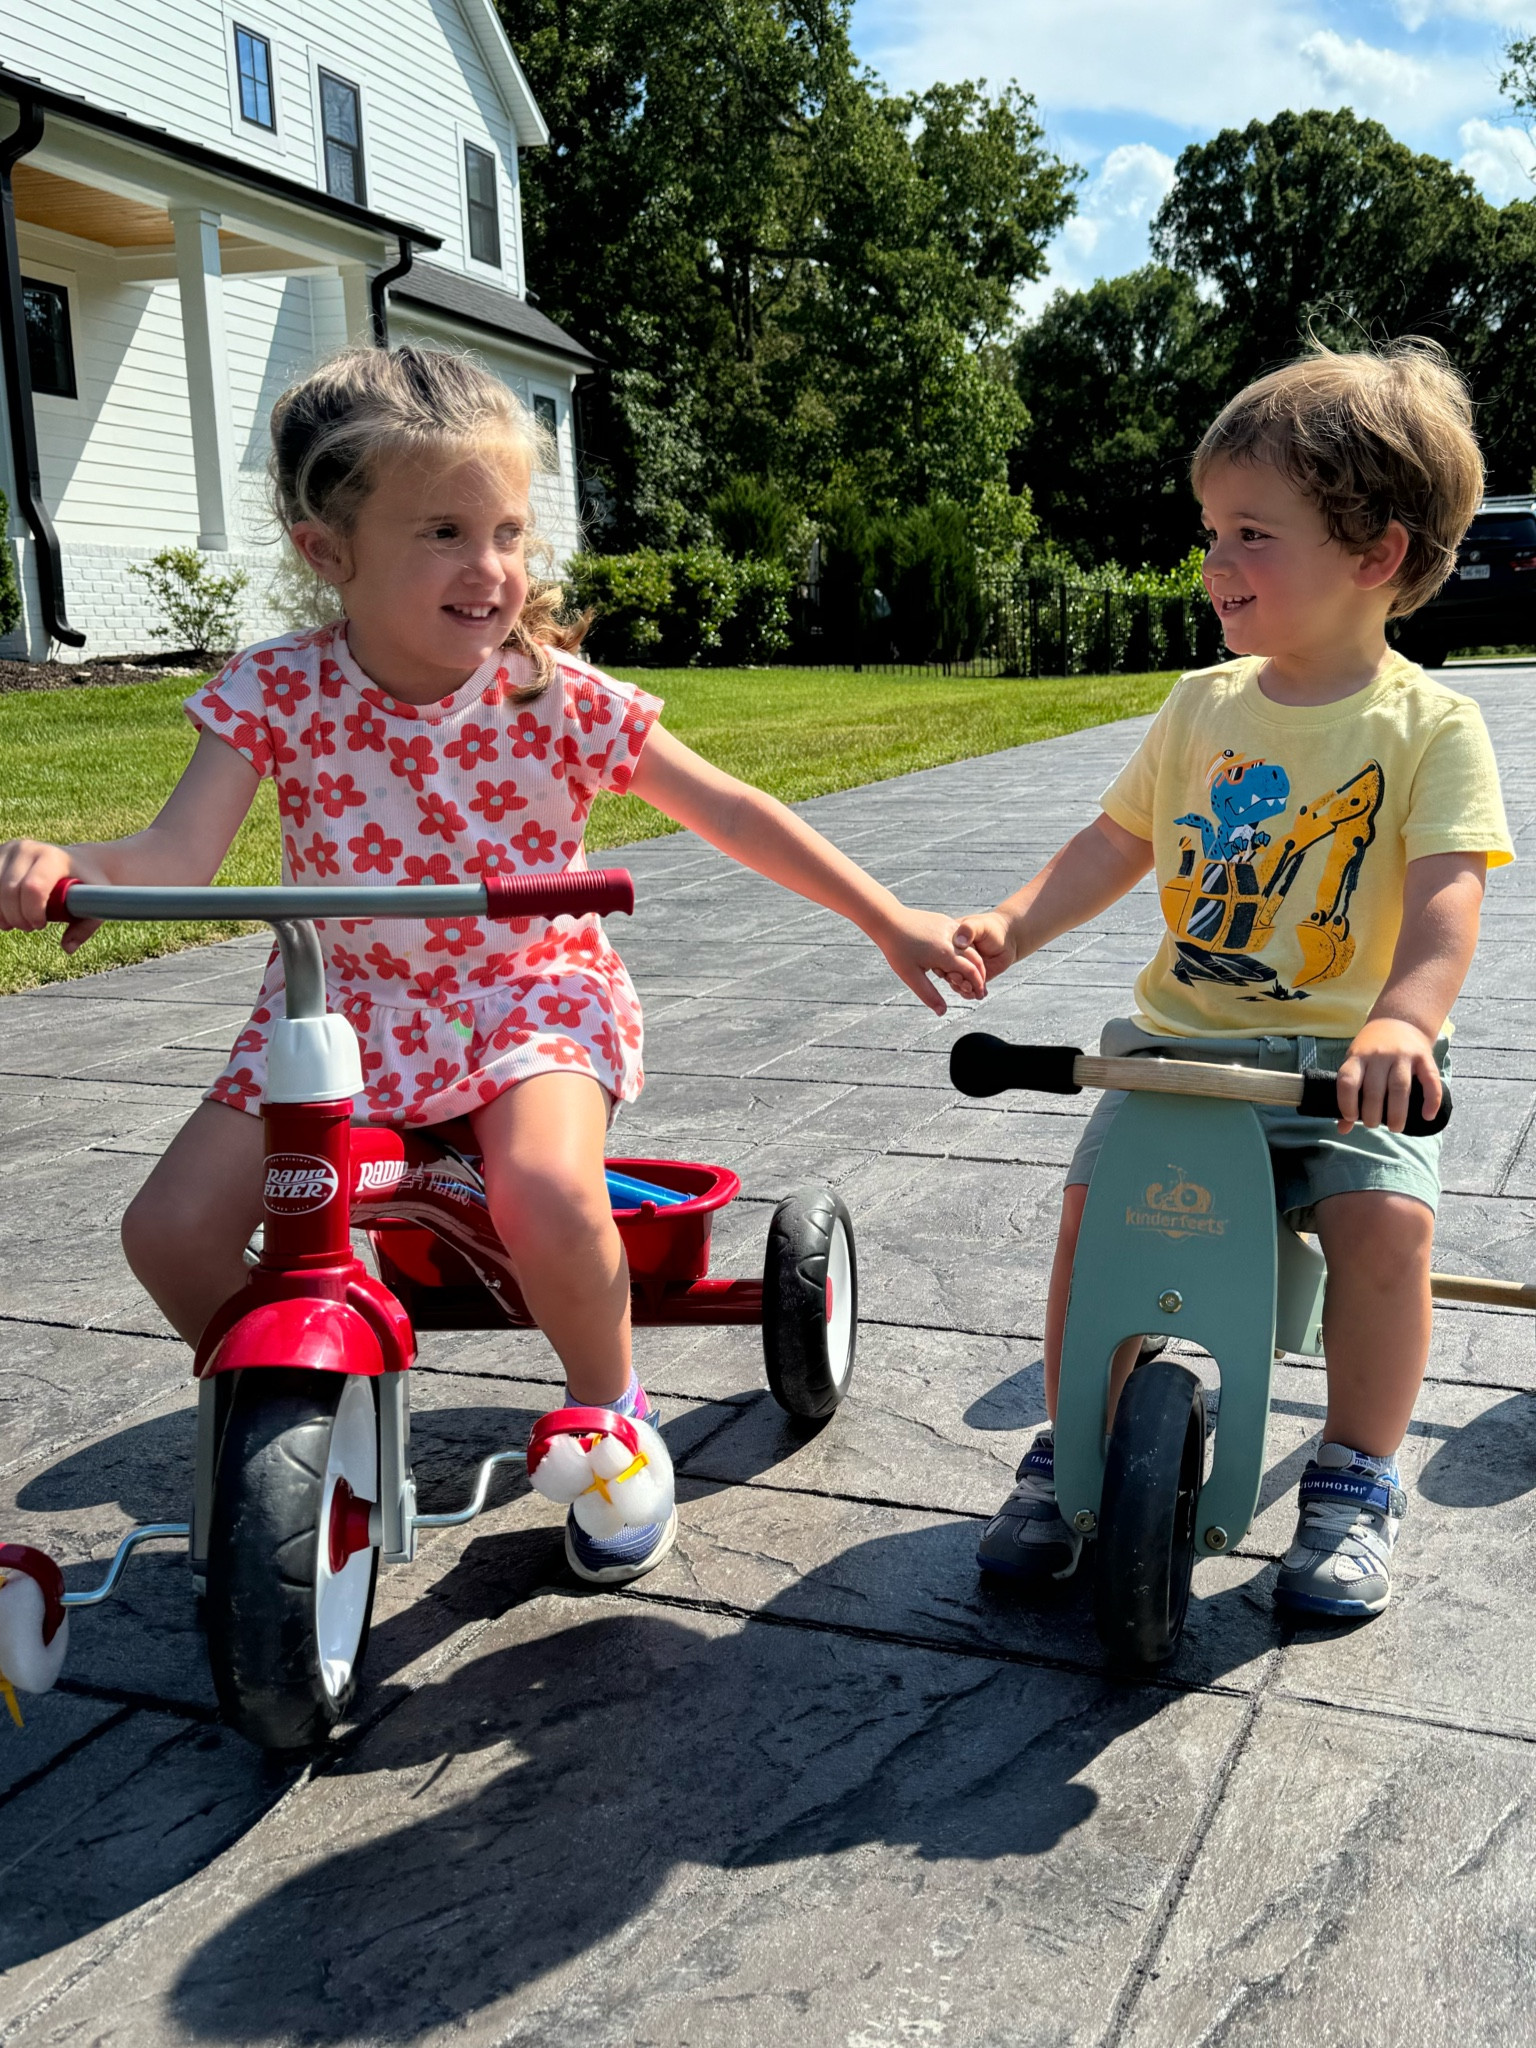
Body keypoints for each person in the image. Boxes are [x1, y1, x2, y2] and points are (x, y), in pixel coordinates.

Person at [0, 344, 984, 1587]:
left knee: (550, 1193)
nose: (494, 568)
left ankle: (614, 1416)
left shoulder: (547, 697)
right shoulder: (277, 692)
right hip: (340, 1004)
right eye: (447, 530)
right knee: (170, 1229)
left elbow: (729, 809)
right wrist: (63, 863)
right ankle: (308, 1410)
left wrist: (885, 912)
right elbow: (173, 850)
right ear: (326, 552)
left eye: (510, 530)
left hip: (528, 994)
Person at [961, 341, 1513, 1619]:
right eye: (1211, 531)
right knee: (1097, 1227)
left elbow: (1447, 898)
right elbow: (1115, 844)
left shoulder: (1428, 725)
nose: (1214, 565)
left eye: (1251, 534)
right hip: (1179, 1050)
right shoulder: (1201, 705)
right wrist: (1007, 923)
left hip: (1345, 1072)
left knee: (1388, 1232)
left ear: (1373, 555)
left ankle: (1359, 1472)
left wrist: (1403, 1022)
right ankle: (1074, 1444)